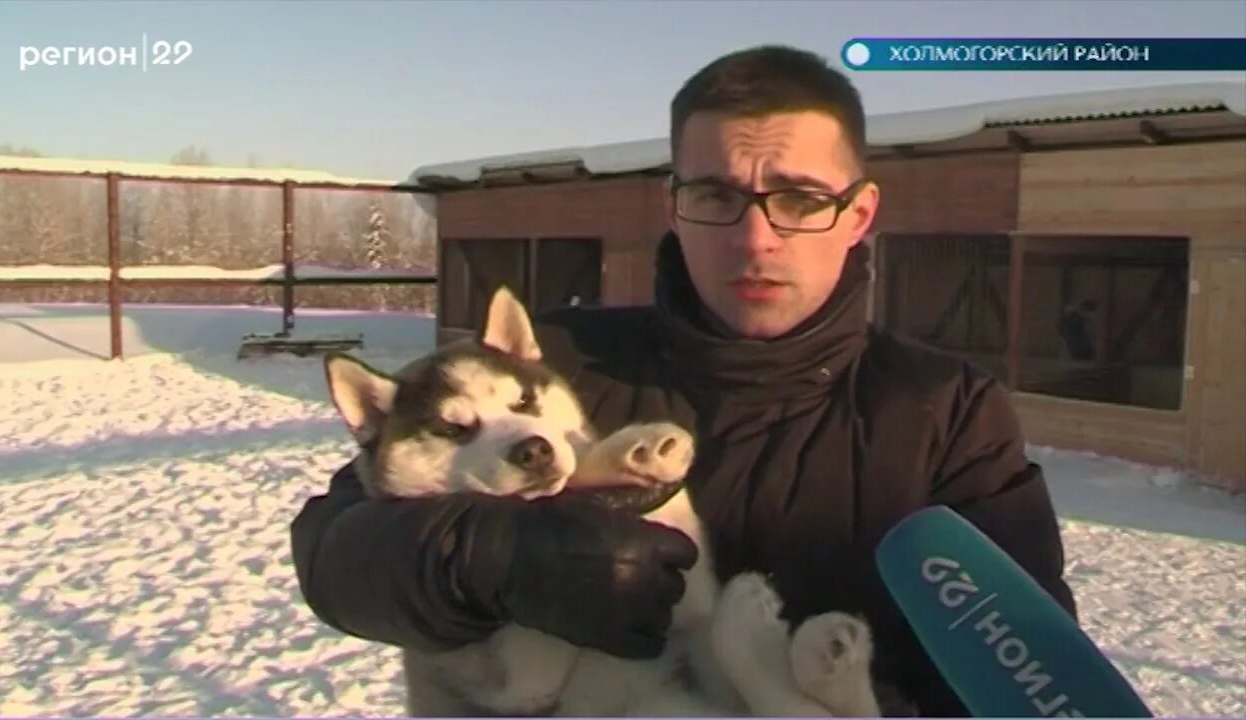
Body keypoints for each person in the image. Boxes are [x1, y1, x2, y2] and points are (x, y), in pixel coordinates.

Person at [290, 44, 1077, 716]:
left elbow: (1018, 667)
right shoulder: (556, 372)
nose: (755, 237)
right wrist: (492, 556)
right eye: (716, 196)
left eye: (800, 199)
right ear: (674, 205)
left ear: (860, 214)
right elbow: (336, 558)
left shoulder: (945, 410)